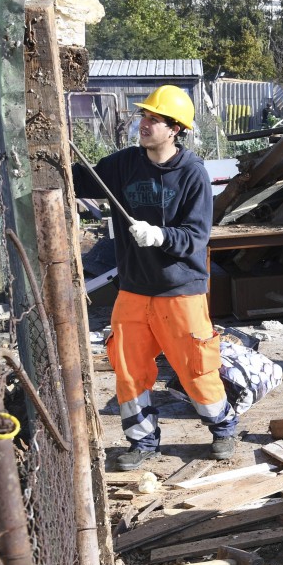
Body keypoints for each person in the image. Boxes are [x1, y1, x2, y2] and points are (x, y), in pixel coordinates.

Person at [71, 85, 238, 471]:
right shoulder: (125, 164)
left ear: (175, 128)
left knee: (195, 368)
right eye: (143, 117)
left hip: (180, 290)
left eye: (153, 119)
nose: (143, 124)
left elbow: (197, 237)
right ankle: (142, 441)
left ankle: (224, 428)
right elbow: (80, 178)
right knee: (129, 370)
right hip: (132, 289)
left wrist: (161, 235)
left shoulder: (193, 174)